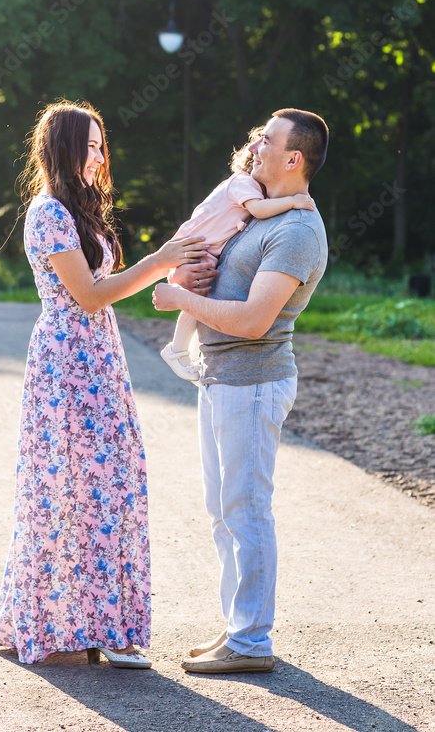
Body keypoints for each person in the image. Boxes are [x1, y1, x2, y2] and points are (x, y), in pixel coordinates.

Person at [0, 100, 208, 668]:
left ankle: (95, 622)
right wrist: (157, 261)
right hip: (68, 363)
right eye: (88, 145)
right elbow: (88, 295)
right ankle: (95, 628)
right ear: (62, 149)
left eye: (100, 145)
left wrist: (172, 268)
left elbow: (101, 291)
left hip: (98, 356)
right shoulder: (48, 212)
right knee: (74, 490)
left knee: (108, 484)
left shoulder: (77, 210)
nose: (98, 156)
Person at [153, 108, 329, 675]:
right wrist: (193, 280)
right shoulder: (254, 213)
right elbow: (220, 277)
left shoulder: (296, 231)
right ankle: (239, 626)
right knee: (223, 511)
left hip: (253, 383)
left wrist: (181, 300)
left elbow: (254, 321)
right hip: (220, 378)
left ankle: (251, 641)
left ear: (293, 158)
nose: (255, 146)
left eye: (267, 140)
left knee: (246, 510)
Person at [160, 126, 315, 382]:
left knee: (199, 296)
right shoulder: (243, 183)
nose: (256, 150)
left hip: (204, 247)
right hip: (197, 246)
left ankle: (181, 350)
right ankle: (177, 349)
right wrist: (292, 201)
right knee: (196, 296)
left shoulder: (257, 195)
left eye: (265, 144)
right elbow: (259, 210)